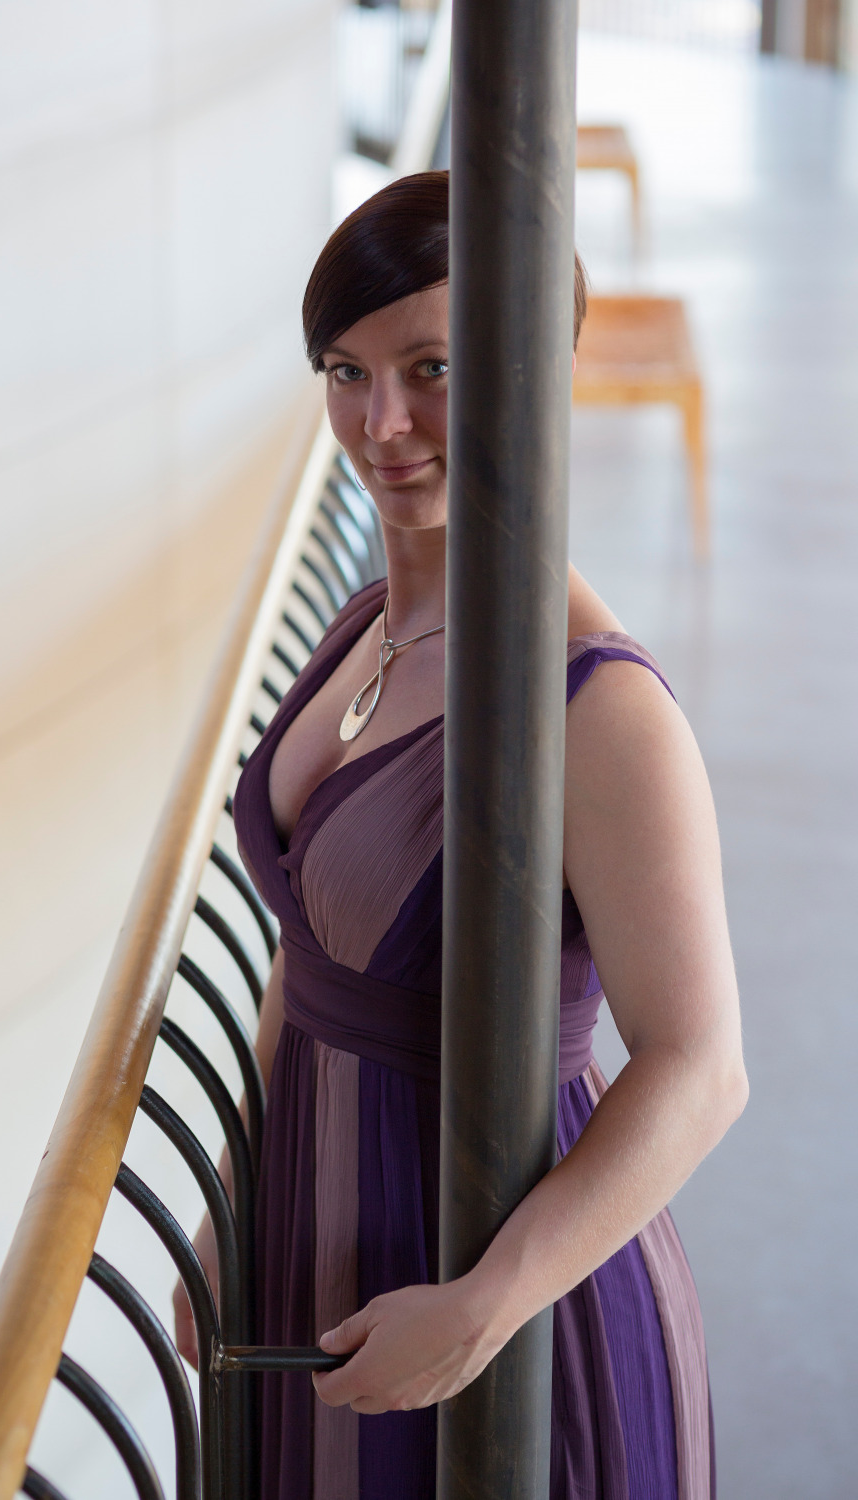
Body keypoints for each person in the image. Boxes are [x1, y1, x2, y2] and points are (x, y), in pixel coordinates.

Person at [174, 169, 747, 1500]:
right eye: (347, 372)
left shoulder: (597, 706)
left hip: (497, 1306)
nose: (382, 424)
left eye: (432, 369)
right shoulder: (367, 625)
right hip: (323, 1255)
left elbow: (701, 1066)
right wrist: (226, 1214)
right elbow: (313, 949)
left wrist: (483, 1308)